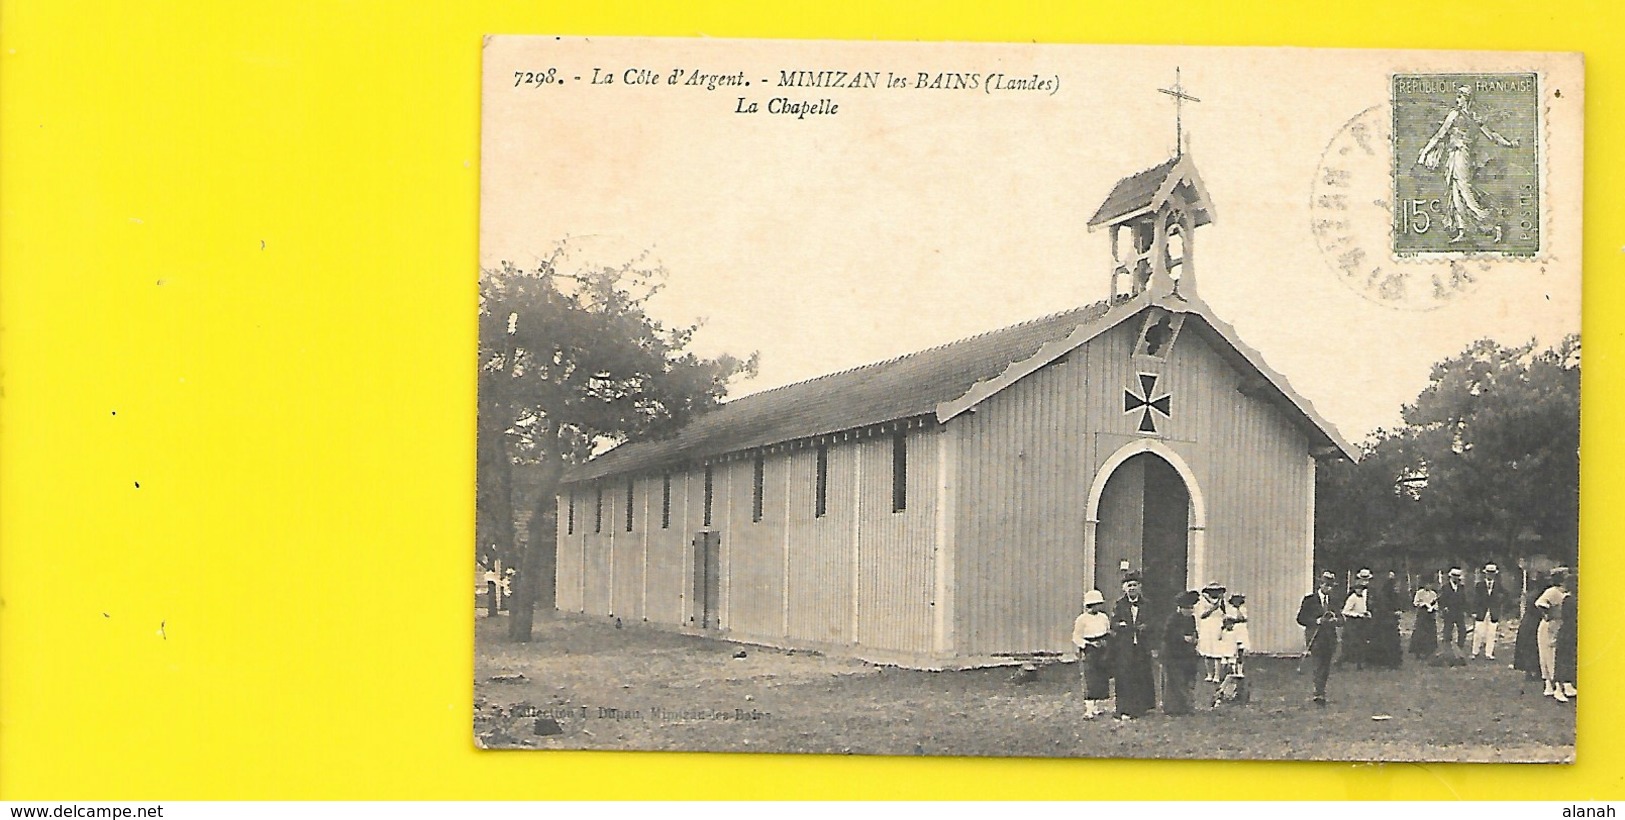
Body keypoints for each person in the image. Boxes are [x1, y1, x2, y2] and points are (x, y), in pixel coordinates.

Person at [1416, 84, 1520, 244]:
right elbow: (1440, 136)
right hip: (1455, 156)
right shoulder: (1467, 115)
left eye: (1460, 97)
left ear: (1466, 99)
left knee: (1465, 192)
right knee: (1455, 194)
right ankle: (1463, 230)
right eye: (1457, 97)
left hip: (1461, 157)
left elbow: (1491, 135)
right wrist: (1509, 143)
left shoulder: (1463, 116)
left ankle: (1494, 224)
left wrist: (1509, 144)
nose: (1457, 100)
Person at [1110, 572, 1157, 720]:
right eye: (1129, 585)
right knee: (1124, 676)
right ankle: (1123, 708)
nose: (1132, 588)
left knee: (1141, 675)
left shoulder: (1147, 604)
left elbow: (1154, 623)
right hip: (1124, 646)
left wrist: (1146, 626)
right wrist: (1121, 625)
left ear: (1139, 587)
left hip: (1141, 646)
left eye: (1134, 585)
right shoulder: (1119, 604)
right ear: (1124, 588)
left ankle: (1140, 707)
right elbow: (1113, 624)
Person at [1296, 571, 1344, 705]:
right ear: (1321, 584)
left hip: (1329, 638)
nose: (1329, 588)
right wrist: (1316, 621)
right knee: (1318, 663)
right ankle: (1318, 693)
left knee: (1326, 665)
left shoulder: (1334, 601)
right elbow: (1300, 618)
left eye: (1331, 586)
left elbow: (1341, 619)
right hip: (1315, 636)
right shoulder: (1310, 600)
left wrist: (1336, 620)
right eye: (1327, 585)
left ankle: (1321, 689)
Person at [1071, 589, 1113, 720]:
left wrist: (1106, 641)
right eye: (1093, 604)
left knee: (1101, 677)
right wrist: (1088, 645)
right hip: (1089, 650)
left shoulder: (1103, 617)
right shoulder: (1081, 619)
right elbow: (1076, 637)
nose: (1096, 607)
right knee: (1090, 677)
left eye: (1098, 604)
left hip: (1102, 648)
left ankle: (1096, 707)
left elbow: (1107, 630)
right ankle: (1089, 709)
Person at [1161, 590, 1202, 716]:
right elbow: (1167, 636)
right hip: (1173, 654)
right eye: (1187, 608)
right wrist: (1182, 638)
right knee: (1174, 681)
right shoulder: (1173, 619)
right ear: (1180, 608)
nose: (1190, 611)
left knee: (1187, 680)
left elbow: (1194, 631)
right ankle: (1173, 707)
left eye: (1191, 608)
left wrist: (1195, 638)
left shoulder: (1191, 619)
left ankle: (1185, 705)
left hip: (1187, 654)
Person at [1535, 567, 1571, 700]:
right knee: (1548, 654)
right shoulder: (1552, 592)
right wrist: (1547, 615)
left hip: (1560, 624)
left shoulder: (1565, 592)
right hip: (1550, 625)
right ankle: (1552, 686)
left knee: (1557, 654)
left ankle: (1560, 685)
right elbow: (1539, 603)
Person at [1470, 562, 1510, 661]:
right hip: (1481, 612)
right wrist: (1474, 611)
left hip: (1493, 612)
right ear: (1485, 573)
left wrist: (1499, 603)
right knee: (1478, 632)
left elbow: (1506, 595)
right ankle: (1475, 652)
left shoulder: (1498, 585)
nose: (1490, 575)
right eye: (1488, 573)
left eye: (1492, 573)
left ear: (1495, 574)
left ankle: (1489, 653)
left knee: (1491, 633)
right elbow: (1475, 599)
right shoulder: (1479, 585)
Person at [1195, 581, 1232, 684]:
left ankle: (1217, 675)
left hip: (1217, 626)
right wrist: (1213, 608)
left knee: (1217, 652)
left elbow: (1226, 614)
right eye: (1212, 591)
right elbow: (1202, 615)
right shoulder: (1203, 602)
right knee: (1207, 651)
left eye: (1217, 591)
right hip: (1207, 626)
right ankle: (1209, 674)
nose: (1215, 593)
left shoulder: (1222, 602)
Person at [1512, 572, 1546, 679]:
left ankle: (1531, 670)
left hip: (1529, 622)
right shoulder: (1538, 594)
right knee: (1532, 647)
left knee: (1529, 647)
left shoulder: (1533, 594)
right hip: (1533, 622)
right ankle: (1533, 670)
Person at [1340, 568, 1375, 670]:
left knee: (1362, 642)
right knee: (1351, 642)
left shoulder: (1369, 593)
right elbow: (1345, 611)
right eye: (1358, 587)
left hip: (1363, 621)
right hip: (1353, 623)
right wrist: (1358, 615)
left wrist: (1367, 613)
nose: (1361, 589)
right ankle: (1342, 661)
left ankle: (1360, 663)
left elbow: (1365, 606)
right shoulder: (1352, 596)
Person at [1369, 571, 1404, 669]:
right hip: (1384, 621)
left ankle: (1393, 661)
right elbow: (1383, 609)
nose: (1397, 588)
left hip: (1391, 621)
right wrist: (1393, 613)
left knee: (1393, 641)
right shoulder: (1384, 596)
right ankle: (1388, 662)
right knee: (1387, 641)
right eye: (1395, 586)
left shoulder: (1394, 596)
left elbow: (1397, 606)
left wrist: (1398, 611)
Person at [1554, 573, 1577, 703]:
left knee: (1569, 659)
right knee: (1563, 658)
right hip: (1568, 631)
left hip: (1572, 631)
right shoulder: (1569, 599)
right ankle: (1558, 688)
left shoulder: (1572, 598)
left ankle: (1568, 686)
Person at [1438, 567, 1470, 654]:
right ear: (1451, 577)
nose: (1456, 578)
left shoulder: (1461, 587)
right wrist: (1444, 608)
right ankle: (1447, 648)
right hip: (1449, 611)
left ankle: (1459, 648)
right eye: (1454, 576)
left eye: (1458, 576)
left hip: (1459, 611)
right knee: (1448, 630)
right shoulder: (1445, 587)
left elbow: (1464, 600)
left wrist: (1466, 610)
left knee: (1462, 630)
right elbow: (1441, 599)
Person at [1410, 582, 1440, 660]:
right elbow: (1415, 602)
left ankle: (1428, 651)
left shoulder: (1433, 593)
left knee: (1430, 633)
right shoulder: (1419, 593)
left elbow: (1436, 604)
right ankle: (1418, 652)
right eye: (1427, 584)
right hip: (1422, 614)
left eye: (1430, 584)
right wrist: (1423, 604)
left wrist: (1433, 607)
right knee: (1420, 633)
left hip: (1430, 615)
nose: (1429, 586)